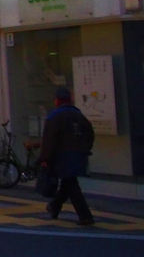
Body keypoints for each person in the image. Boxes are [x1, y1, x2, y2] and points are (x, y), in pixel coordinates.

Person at [40, 87, 95, 226]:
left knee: (71, 183)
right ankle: (55, 206)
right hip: (79, 154)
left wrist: (45, 158)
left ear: (57, 100)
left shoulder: (54, 116)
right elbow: (90, 134)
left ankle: (85, 216)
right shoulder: (79, 114)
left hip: (62, 155)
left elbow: (49, 140)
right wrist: (86, 148)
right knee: (68, 182)